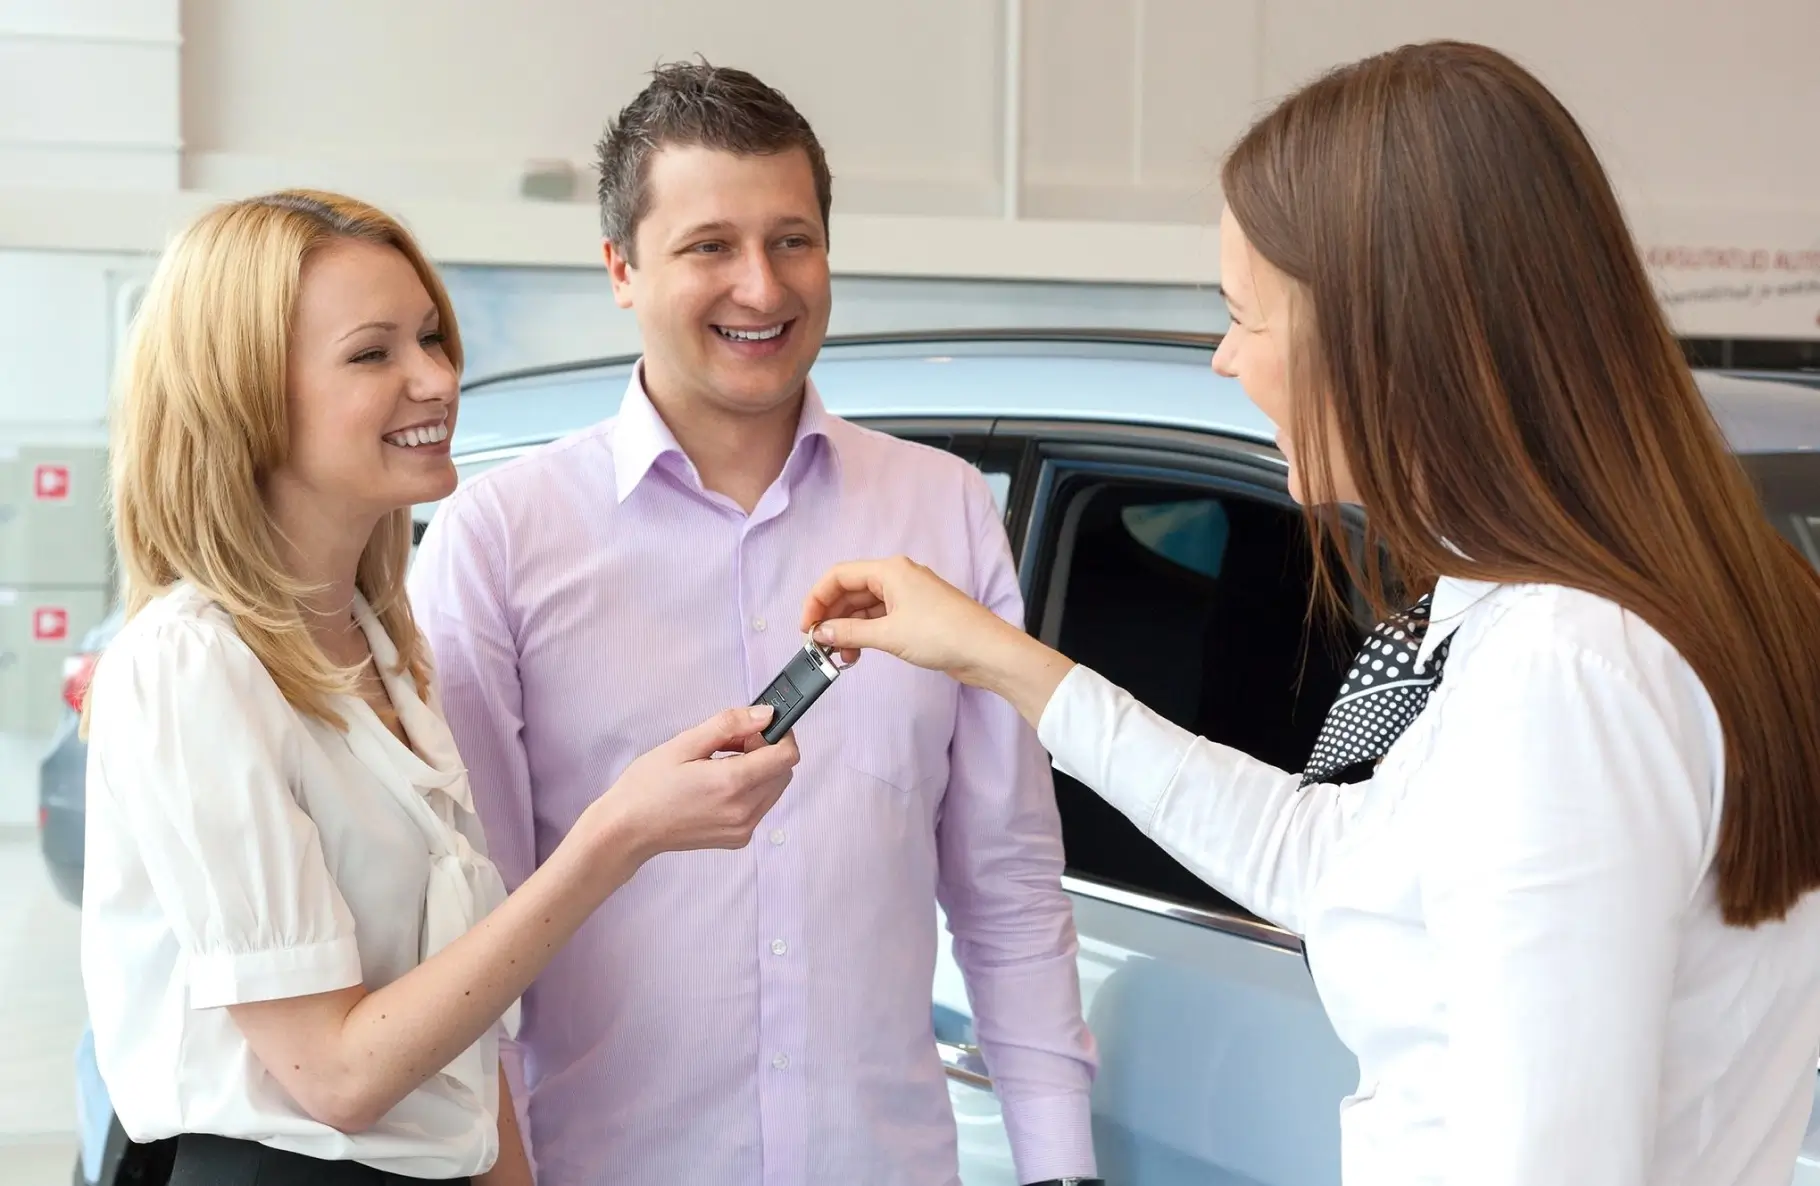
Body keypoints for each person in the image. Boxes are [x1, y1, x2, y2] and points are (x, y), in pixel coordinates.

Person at [800, 40, 1820, 1186]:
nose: (1225, 359)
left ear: (1385, 331)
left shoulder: (1564, 672)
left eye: (1246, 316)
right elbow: (1316, 851)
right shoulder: (1636, 614)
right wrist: (994, 656)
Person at [408, 63, 1099, 1186]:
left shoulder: (938, 508)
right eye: (707, 246)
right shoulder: (499, 536)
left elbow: (1006, 885)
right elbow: (467, 932)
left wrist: (1059, 1170)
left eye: (792, 239)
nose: (760, 286)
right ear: (620, 270)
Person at [79, 189, 800, 1186]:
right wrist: (616, 834)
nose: (436, 378)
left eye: (431, 338)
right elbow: (334, 1074)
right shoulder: (191, 665)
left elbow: (452, 1036)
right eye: (374, 354)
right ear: (242, 393)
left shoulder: (387, 651)